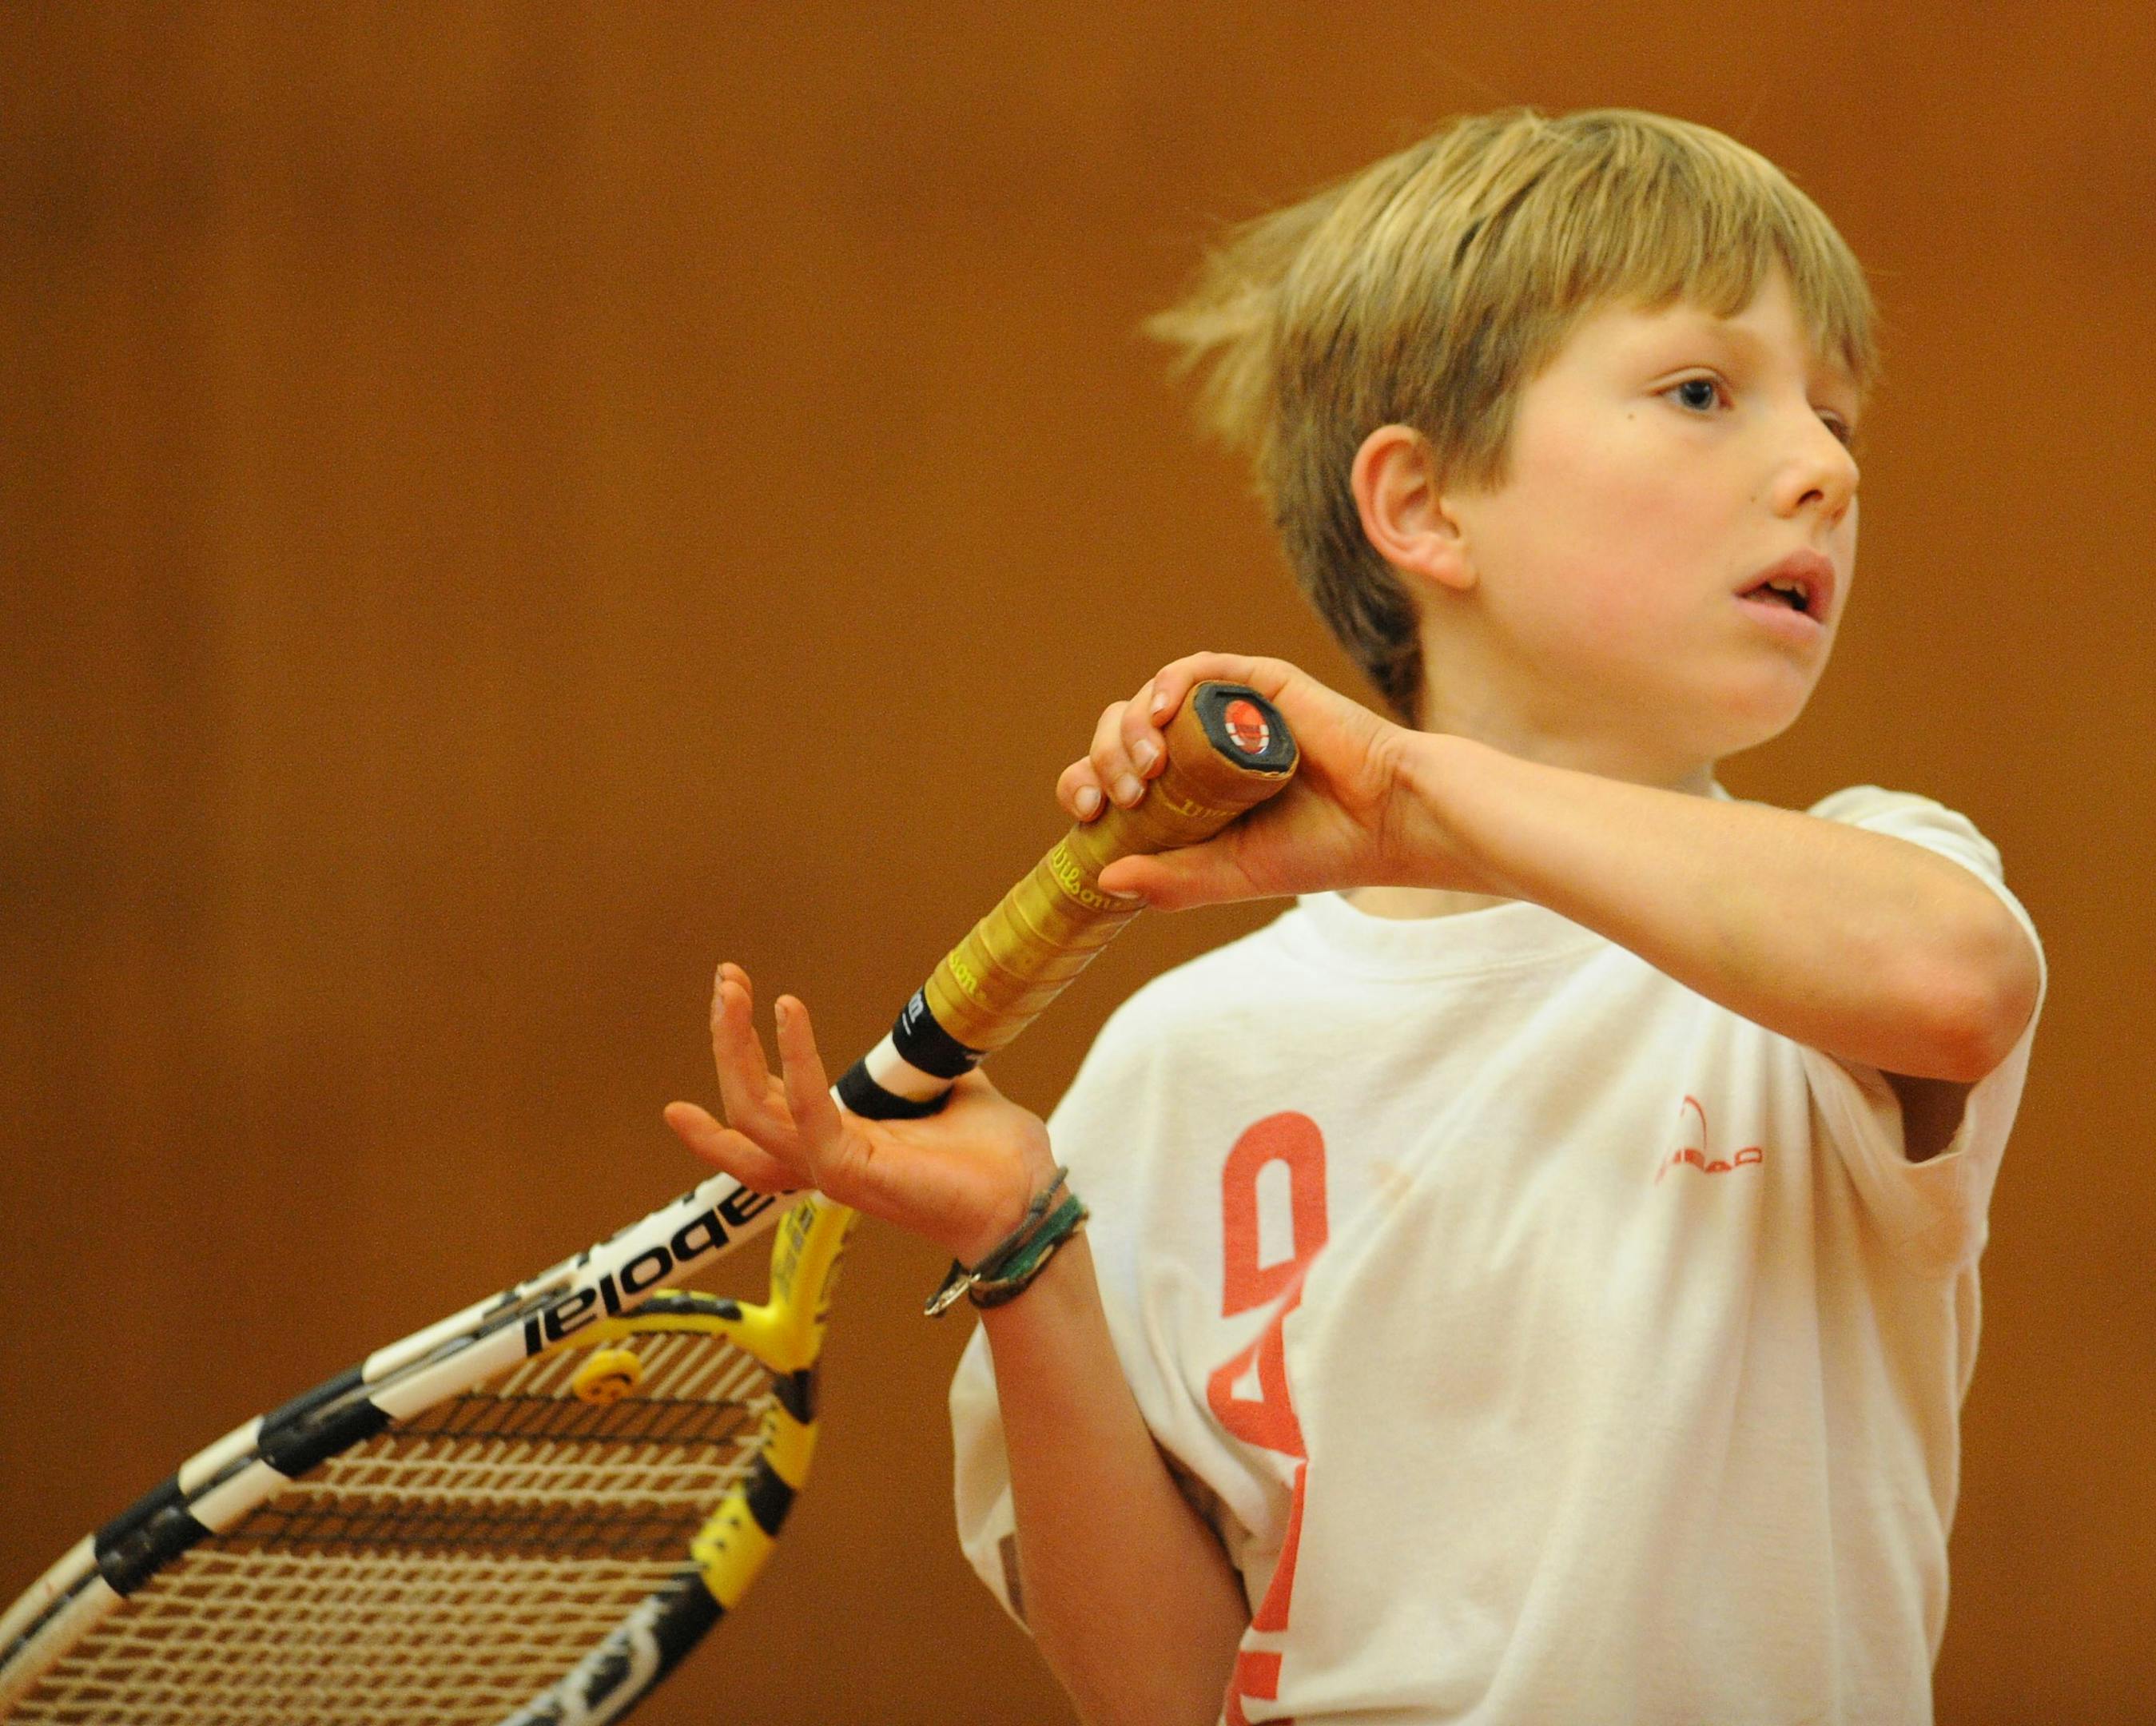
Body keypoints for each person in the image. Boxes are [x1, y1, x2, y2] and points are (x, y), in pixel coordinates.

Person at [665, 108, 2047, 1725]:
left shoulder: (1870, 893)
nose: (1826, 465)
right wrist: (1022, 1240)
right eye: (1701, 393)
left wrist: (1405, 790)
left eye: (1834, 409)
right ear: (1425, 507)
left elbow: (1954, 981)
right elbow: (1164, 1695)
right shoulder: (1183, 1061)